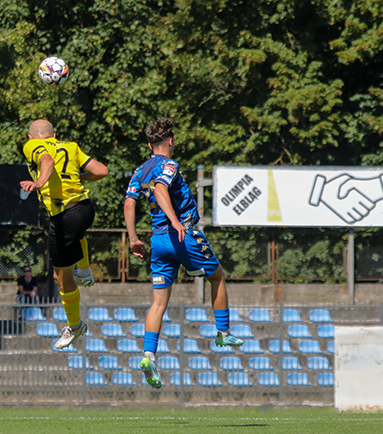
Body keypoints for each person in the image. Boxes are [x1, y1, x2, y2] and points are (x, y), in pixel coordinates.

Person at [124, 118, 243, 388]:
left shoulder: (139, 170)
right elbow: (161, 188)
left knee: (158, 303)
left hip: (158, 242)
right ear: (170, 142)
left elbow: (129, 203)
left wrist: (133, 238)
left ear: (149, 145)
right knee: (218, 277)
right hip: (183, 235)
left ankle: (148, 356)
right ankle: (223, 332)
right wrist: (176, 221)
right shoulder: (170, 165)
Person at [21, 119, 109, 349]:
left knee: (62, 279)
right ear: (54, 135)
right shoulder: (70, 146)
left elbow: (47, 160)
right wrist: (80, 177)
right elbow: (101, 171)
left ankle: (75, 324)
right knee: (77, 235)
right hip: (86, 209)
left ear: (32, 137)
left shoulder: (31, 146)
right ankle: (86, 271)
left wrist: (39, 182)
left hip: (64, 216)